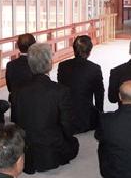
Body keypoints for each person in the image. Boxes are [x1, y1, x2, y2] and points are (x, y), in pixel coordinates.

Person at [12, 43, 79, 174]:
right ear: (50, 63)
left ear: (30, 63)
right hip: (51, 151)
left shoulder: (17, 90)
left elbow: (16, 121)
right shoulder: (60, 90)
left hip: (27, 151)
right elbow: (67, 125)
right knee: (74, 144)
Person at [57, 35, 104, 134]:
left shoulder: (62, 66)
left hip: (66, 117)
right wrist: (100, 115)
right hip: (86, 119)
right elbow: (99, 94)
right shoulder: (94, 68)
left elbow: (60, 90)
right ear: (89, 52)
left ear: (74, 50)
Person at [5, 33, 36, 121]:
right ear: (34, 45)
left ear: (18, 46)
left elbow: (9, 87)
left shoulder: (10, 65)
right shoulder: (35, 64)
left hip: (16, 105)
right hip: (34, 105)